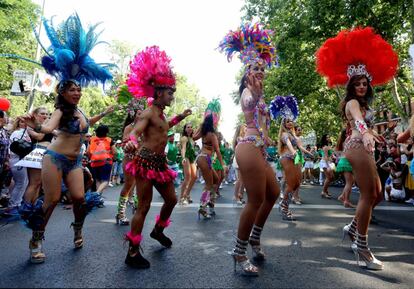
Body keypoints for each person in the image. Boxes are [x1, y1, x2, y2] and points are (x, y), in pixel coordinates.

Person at [17, 13, 114, 264]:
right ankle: (37, 239)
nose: (78, 92)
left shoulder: (80, 111)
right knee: (50, 200)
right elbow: (48, 127)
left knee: (80, 199)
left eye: (79, 89)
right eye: (73, 89)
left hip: (75, 162)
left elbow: (86, 125)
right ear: (64, 92)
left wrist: (104, 113)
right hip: (55, 158)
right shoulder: (61, 110)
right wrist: (35, 123)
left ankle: (78, 228)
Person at [316, 26, 398, 270]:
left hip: (364, 146)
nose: (361, 86)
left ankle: (352, 229)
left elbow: (364, 123)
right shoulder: (352, 102)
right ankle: (361, 248)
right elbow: (357, 121)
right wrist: (365, 131)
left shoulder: (363, 104)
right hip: (356, 147)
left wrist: (374, 134)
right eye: (357, 83)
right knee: (369, 194)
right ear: (351, 85)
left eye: (364, 83)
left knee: (379, 192)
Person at [123, 46, 192, 269]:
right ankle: (132, 252)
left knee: (171, 200)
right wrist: (132, 140)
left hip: (160, 164)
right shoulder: (148, 112)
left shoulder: (160, 115)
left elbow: (164, 127)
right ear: (160, 93)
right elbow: (136, 130)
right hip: (144, 163)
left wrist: (180, 117)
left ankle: (157, 231)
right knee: (143, 206)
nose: (173, 95)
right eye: (170, 92)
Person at [219, 22, 279, 276]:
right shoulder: (247, 90)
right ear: (246, 74)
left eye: (262, 68)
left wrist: (268, 137)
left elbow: (264, 121)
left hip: (260, 149)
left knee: (273, 193)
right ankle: (239, 250)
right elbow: (247, 102)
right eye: (255, 68)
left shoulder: (262, 94)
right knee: (255, 199)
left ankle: (255, 237)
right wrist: (253, 94)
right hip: (247, 147)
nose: (260, 71)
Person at [272, 96, 306, 219]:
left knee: (297, 183)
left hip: (295, 157)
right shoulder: (285, 134)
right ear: (284, 123)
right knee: (291, 184)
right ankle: (284, 208)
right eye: (287, 121)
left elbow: (299, 146)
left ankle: (284, 205)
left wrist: (307, 152)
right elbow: (289, 145)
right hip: (287, 157)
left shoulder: (293, 134)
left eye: (291, 120)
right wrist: (293, 152)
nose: (290, 122)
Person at [115, 98, 144, 226]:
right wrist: (132, 143)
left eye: (143, 113)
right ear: (133, 114)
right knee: (128, 185)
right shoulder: (129, 127)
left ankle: (137, 207)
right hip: (130, 159)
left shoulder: (146, 128)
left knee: (140, 185)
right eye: (139, 113)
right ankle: (120, 213)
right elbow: (124, 142)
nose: (141, 115)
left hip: (142, 160)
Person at [2, 118, 31, 216]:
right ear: (18, 123)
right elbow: (16, 148)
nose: (25, 123)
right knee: (21, 183)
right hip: (17, 160)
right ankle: (13, 206)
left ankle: (15, 204)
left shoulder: (25, 133)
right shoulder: (17, 133)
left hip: (20, 160)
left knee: (22, 183)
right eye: (22, 121)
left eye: (26, 121)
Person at [88, 124, 116, 195]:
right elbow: (114, 152)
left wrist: (91, 158)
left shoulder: (92, 139)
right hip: (106, 162)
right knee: (105, 181)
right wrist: (112, 156)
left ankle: (98, 198)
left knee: (98, 180)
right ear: (106, 132)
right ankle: (97, 193)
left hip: (94, 163)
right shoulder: (109, 140)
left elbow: (88, 152)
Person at [336, 129, 356, 208]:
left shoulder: (345, 140)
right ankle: (346, 201)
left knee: (351, 181)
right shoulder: (348, 140)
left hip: (344, 161)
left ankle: (342, 196)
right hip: (346, 161)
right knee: (349, 183)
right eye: (349, 131)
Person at [179, 123, 197, 204]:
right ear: (185, 129)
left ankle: (187, 194)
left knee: (195, 176)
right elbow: (183, 149)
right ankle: (182, 198)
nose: (190, 128)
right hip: (186, 157)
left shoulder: (192, 138)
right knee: (188, 177)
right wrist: (183, 158)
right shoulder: (184, 138)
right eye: (188, 127)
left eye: (191, 127)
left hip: (192, 158)